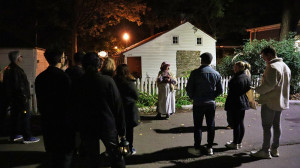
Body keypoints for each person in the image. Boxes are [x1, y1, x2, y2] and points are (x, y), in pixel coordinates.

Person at [74, 52, 126, 168]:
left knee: (92, 159)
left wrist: (77, 128)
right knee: (116, 157)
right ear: (99, 65)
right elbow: (118, 107)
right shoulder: (107, 81)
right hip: (107, 124)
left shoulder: (79, 82)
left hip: (87, 126)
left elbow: (75, 107)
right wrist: (122, 131)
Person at [35, 48, 75, 168]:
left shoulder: (40, 78)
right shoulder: (64, 77)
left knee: (52, 154)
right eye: (63, 57)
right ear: (60, 59)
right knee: (65, 155)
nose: (64, 59)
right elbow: (70, 101)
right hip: (63, 121)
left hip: (47, 120)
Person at [250, 46, 291, 159]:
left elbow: (270, 85)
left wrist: (257, 89)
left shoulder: (272, 67)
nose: (264, 59)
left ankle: (265, 150)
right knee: (277, 125)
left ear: (269, 55)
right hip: (280, 102)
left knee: (267, 126)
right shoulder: (285, 66)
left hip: (270, 101)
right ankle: (274, 149)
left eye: (264, 57)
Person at [186, 52, 223, 155]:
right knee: (211, 124)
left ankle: (197, 148)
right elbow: (220, 90)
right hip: (210, 103)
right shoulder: (216, 74)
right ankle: (210, 147)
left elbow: (189, 89)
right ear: (210, 61)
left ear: (201, 60)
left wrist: (193, 97)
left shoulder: (195, 73)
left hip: (198, 102)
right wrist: (212, 96)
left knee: (198, 126)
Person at [2, 51, 40, 143]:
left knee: (15, 117)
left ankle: (14, 135)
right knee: (25, 117)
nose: (22, 58)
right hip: (20, 99)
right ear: (17, 58)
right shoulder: (16, 70)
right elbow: (19, 86)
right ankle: (27, 137)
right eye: (20, 56)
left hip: (13, 99)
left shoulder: (9, 69)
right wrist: (24, 98)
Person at [224, 61, 251, 150]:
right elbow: (248, 88)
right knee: (240, 122)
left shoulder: (237, 78)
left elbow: (233, 90)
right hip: (243, 101)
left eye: (235, 67)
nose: (233, 69)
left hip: (235, 101)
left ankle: (235, 143)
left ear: (239, 68)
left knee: (236, 123)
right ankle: (239, 142)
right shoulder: (246, 77)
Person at [114, 64, 140, 155]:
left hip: (117, 108)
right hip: (128, 108)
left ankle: (118, 148)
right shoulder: (129, 82)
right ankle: (129, 148)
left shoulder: (114, 81)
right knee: (129, 130)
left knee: (118, 128)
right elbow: (136, 95)